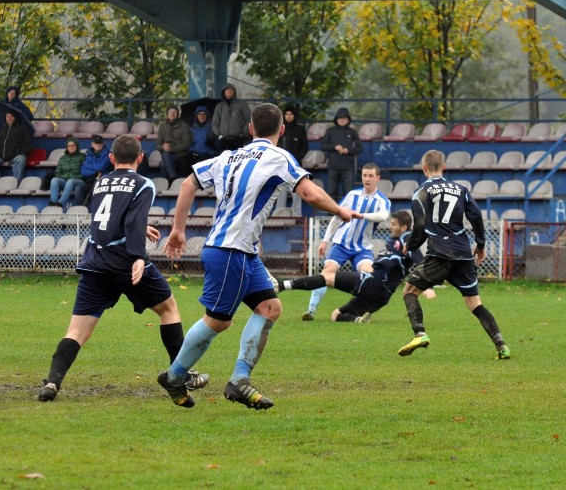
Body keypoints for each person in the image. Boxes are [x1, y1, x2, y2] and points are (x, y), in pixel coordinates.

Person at [160, 102, 361, 410]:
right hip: (232, 250)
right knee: (217, 321)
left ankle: (239, 381)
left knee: (269, 307)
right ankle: (175, 376)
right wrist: (340, 210)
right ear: (281, 130)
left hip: (240, 252)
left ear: (250, 129)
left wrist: (178, 229)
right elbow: (308, 193)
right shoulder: (278, 156)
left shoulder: (229, 156)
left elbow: (188, 182)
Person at [37, 134, 208, 402]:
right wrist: (139, 255)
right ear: (140, 157)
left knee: (76, 332)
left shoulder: (100, 182)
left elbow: (107, 221)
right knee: (169, 309)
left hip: (95, 264)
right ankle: (180, 374)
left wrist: (140, 228)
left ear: (111, 158)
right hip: (127, 263)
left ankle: (52, 382)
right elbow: (132, 219)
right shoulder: (144, 184)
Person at [398, 150, 511, 360]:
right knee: (475, 303)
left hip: (440, 253)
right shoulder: (461, 189)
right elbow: (476, 216)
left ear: (424, 169)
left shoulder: (421, 192)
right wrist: (481, 245)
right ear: (444, 167)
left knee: (409, 291)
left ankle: (420, 333)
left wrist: (410, 245)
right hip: (462, 252)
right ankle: (501, 346)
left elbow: (420, 226)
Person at [277, 210, 434, 323]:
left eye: (393, 224)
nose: (390, 227)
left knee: (327, 278)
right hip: (382, 297)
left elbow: (419, 258)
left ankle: (282, 285)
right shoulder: (394, 242)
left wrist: (426, 286)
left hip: (373, 282)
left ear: (404, 228)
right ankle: (358, 320)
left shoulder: (406, 238)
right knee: (336, 315)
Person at [303, 163, 390, 321]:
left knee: (369, 277)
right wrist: (325, 241)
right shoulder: (352, 195)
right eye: (364, 175)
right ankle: (310, 311)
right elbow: (336, 217)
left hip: (362, 248)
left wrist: (361, 215)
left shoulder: (382, 200)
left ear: (378, 178)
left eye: (371, 176)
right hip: (341, 244)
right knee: (327, 272)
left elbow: (383, 216)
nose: (367, 179)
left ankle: (362, 311)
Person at [320, 106, 362, 203]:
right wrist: (334, 147)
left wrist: (349, 150)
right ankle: (331, 216)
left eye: (345, 118)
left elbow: (359, 148)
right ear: (336, 119)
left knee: (348, 193)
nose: (342, 120)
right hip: (333, 167)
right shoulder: (330, 131)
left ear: (348, 120)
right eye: (340, 118)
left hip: (348, 167)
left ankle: (348, 216)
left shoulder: (353, 132)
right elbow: (322, 146)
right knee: (331, 192)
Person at [0, 108, 33, 182]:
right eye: (7, 116)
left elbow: (28, 144)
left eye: (11, 116)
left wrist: (18, 152)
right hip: (1, 156)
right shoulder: (3, 129)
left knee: (21, 159)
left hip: (15, 156)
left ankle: (16, 182)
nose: (9, 118)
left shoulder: (22, 128)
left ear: (15, 118)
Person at [275, 105, 309, 215]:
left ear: (294, 115)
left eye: (291, 114)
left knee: (297, 191)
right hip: (281, 167)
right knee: (281, 191)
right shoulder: (279, 129)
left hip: (296, 167)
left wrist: (298, 158)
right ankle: (279, 215)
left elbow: (305, 147)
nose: (289, 116)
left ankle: (297, 216)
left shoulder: (300, 129)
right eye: (286, 114)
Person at [48, 138, 87, 209]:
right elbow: (57, 172)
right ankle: (53, 202)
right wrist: (64, 176)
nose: (71, 147)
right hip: (65, 181)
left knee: (70, 181)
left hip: (79, 181)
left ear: (77, 146)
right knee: (54, 180)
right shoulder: (63, 158)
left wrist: (74, 176)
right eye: (69, 146)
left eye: (73, 145)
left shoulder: (82, 157)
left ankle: (61, 203)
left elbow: (86, 170)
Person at [211, 83, 251, 151]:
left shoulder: (242, 104)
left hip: (239, 139)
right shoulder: (219, 106)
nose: (229, 91)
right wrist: (219, 135)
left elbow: (249, 119)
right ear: (224, 92)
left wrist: (242, 133)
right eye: (227, 90)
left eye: (231, 90)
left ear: (234, 92)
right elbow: (214, 122)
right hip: (223, 140)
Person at [156, 106, 191, 183]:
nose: (172, 114)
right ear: (167, 114)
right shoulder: (162, 126)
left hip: (180, 154)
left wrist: (172, 149)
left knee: (163, 163)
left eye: (174, 112)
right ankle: (172, 178)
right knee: (165, 156)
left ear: (178, 114)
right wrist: (163, 146)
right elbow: (158, 144)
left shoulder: (184, 126)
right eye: (170, 112)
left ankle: (169, 182)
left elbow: (187, 144)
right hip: (167, 154)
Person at [80, 134, 112, 203]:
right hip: (90, 180)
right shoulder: (89, 154)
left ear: (103, 144)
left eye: (100, 143)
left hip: (103, 180)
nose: (98, 145)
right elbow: (83, 170)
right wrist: (95, 171)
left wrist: (90, 168)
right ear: (92, 144)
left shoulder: (108, 154)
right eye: (96, 143)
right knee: (80, 188)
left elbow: (101, 167)